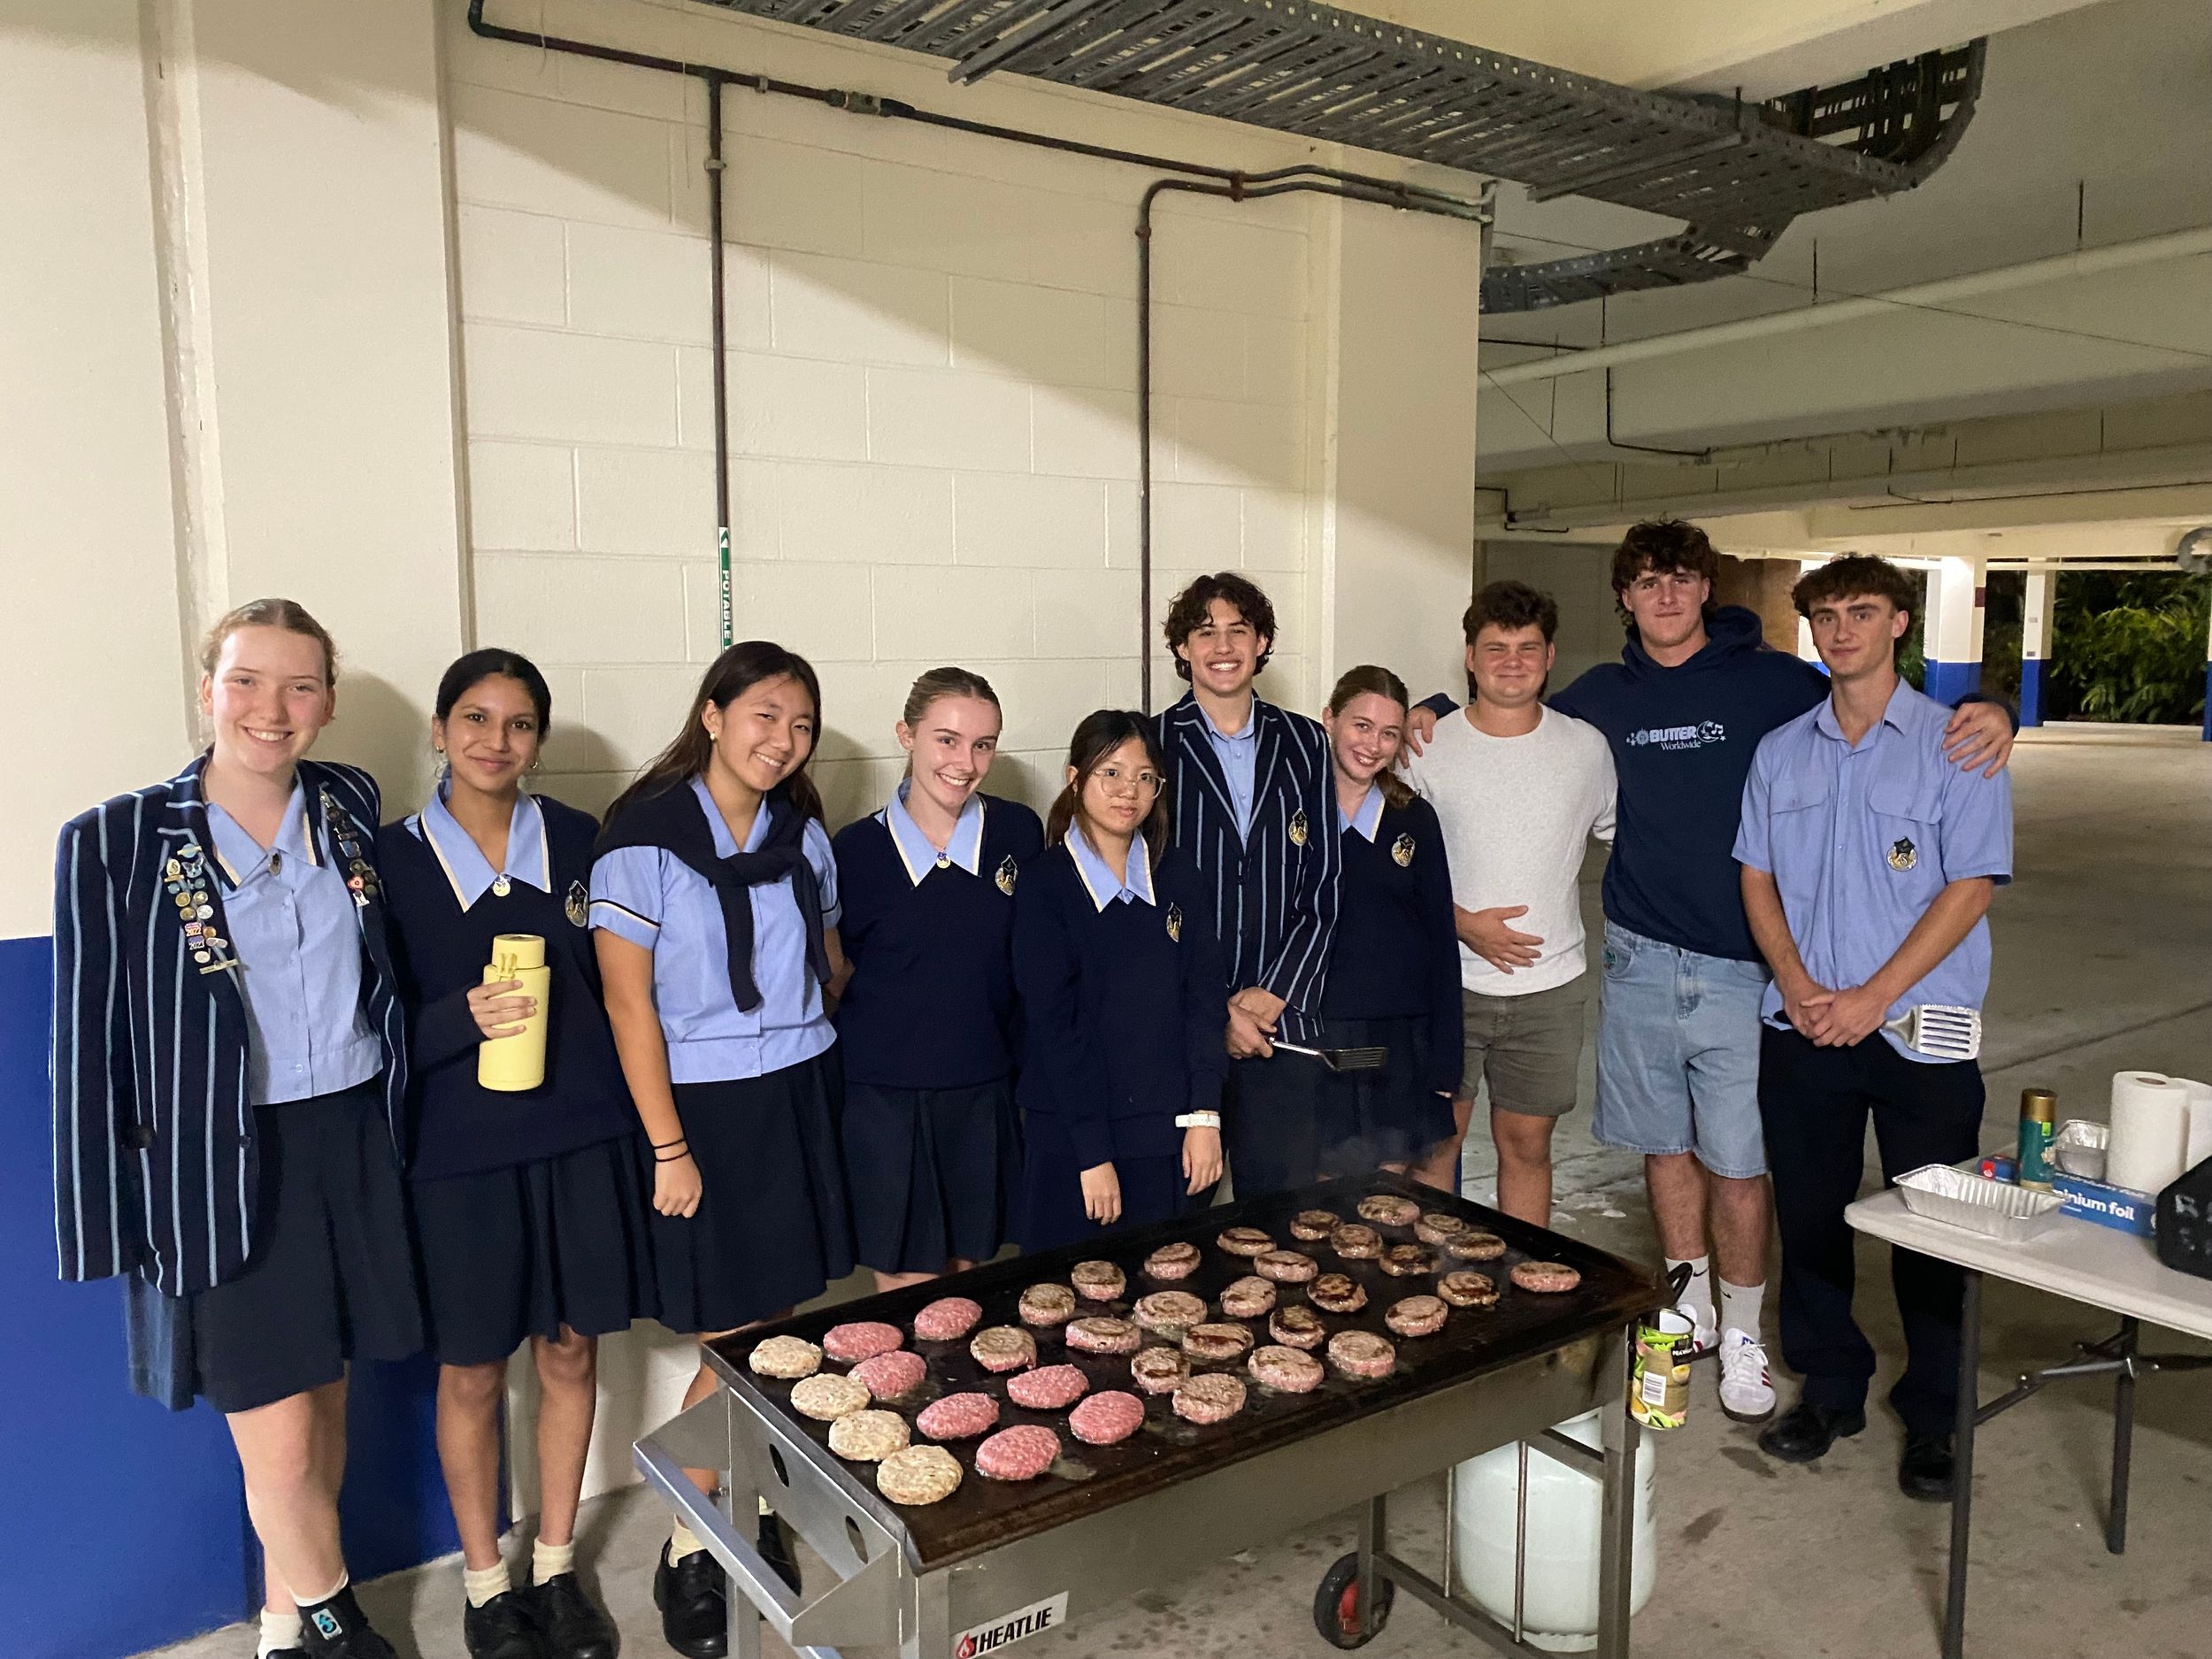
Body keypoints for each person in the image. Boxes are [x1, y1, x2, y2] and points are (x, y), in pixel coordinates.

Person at [1409, 520, 2012, 1424]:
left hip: (1743, 970)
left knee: (1739, 1158)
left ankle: (1745, 1334)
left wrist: (1993, 707)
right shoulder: (1598, 699)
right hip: (1642, 957)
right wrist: (1424, 707)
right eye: (1647, 581)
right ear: (1624, 597)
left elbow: (1868, 689)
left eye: (1682, 579)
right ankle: (1688, 1306)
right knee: (1667, 1147)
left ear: (1706, 590)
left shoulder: (1776, 684)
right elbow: (1511, 702)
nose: (1665, 595)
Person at [52, 600, 420, 1659]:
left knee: (329, 1400)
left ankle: (281, 1622)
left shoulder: (349, 804)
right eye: (248, 680)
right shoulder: (118, 840)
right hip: (219, 1165)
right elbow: (86, 1043)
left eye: (301, 685)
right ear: (208, 690)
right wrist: (107, 1221)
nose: (273, 707)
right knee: (280, 1431)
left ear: (328, 703)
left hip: (352, 1141)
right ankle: (339, 1628)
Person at [377, 650, 651, 1659]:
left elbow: (624, 987)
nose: (497, 741)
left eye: (520, 723)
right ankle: (487, 1583)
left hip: (581, 1141)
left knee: (573, 1351)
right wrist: (460, 1019)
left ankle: (557, 1563)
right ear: (440, 730)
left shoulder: (579, 840)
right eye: (476, 719)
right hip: (459, 1158)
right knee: (471, 1371)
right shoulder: (390, 861)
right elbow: (368, 1027)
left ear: (537, 739)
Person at [589, 641, 853, 1659]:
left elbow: (829, 961)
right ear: (711, 715)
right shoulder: (643, 840)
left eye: (801, 725)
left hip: (797, 1091)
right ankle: (689, 1543)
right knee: (735, 1340)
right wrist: (669, 1146)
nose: (782, 740)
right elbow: (628, 1008)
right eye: (764, 716)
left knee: (776, 1324)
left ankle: (743, 1505)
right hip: (701, 1109)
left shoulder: (802, 836)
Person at [1735, 556, 2012, 1500]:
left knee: (1934, 1226)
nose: (1841, 629)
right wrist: (1796, 982)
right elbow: (1757, 876)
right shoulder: (1782, 752)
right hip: (1803, 1025)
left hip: (1920, 1033)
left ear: (1899, 622)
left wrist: (1872, 997)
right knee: (1811, 1215)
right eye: (1824, 614)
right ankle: (1830, 1387)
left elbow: (1969, 886)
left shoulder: (1958, 743)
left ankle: (1934, 1415)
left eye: (1861, 611)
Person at [1399, 584, 1614, 1225]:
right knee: (1436, 1146)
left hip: (1549, 990)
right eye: (1495, 648)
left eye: (1527, 648)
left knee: (1527, 1148)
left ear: (1550, 657)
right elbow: (1391, 872)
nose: (1512, 662)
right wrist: (1462, 924)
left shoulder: (1587, 749)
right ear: (1470, 657)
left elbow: (1625, 839)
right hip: (1447, 984)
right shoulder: (1426, 746)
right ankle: (1432, 1277)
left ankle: (1525, 1276)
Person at [833, 667, 1043, 1291]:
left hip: (983, 1090)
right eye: (946, 740)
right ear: (907, 735)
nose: (965, 762)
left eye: (983, 744)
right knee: (908, 1293)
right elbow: (835, 974)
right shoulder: (854, 850)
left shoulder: (1017, 832)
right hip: (887, 1102)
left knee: (965, 1288)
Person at [1153, 572, 1339, 1197]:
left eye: (1239, 630)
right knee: (1178, 1216)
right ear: (1183, 648)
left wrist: (1274, 993)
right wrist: (1216, 1010)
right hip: (1183, 1027)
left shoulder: (1307, 742)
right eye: (1206, 632)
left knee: (1280, 1215)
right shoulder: (1151, 745)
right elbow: (1143, 898)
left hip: (1279, 1027)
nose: (1223, 646)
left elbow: (1324, 883)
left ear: (1261, 643)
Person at [1013, 710, 1226, 1248]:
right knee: (1071, 1292)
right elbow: (1054, 1027)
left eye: (1144, 777)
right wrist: (1092, 1154)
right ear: (1075, 778)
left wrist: (1205, 1118)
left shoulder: (1179, 875)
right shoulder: (1044, 885)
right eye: (1110, 773)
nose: (1128, 790)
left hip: (1167, 1134)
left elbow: (1204, 1002)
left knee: (1168, 1288)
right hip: (1073, 1139)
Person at [1312, 666, 1463, 1175]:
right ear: (1329, 718)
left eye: (1389, 734)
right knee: (1324, 1191)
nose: (1372, 745)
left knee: (1388, 1192)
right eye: (1361, 726)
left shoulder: (1413, 819)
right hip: (1320, 1032)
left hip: (1397, 1039)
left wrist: (1445, 1059)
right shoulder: (1293, 813)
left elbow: (1441, 941)